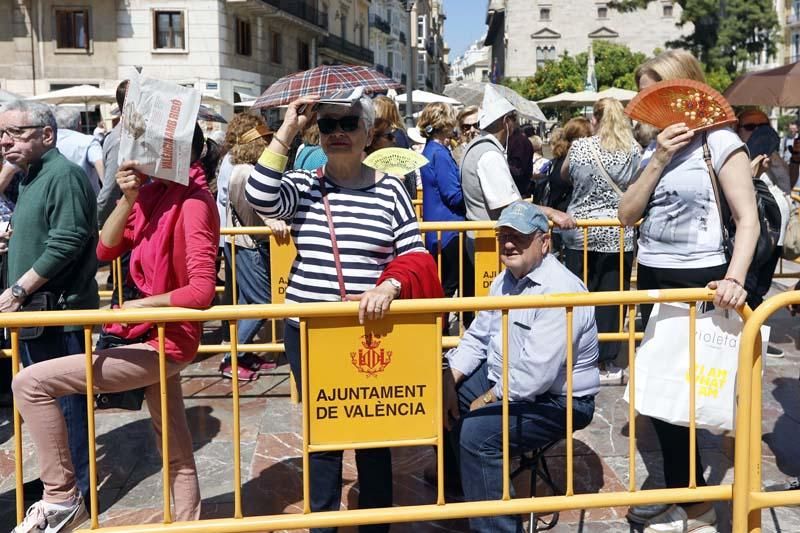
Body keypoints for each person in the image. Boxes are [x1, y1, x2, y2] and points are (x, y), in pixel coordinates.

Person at [10, 122, 218, 532]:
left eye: (151, 144)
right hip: (146, 332)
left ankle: (62, 497)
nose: (141, 152)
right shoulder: (153, 194)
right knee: (175, 448)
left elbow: (201, 291)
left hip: (162, 340)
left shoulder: (194, 202)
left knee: (30, 384)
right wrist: (128, 198)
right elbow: (105, 247)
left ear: (176, 152)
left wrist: (140, 305)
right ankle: (190, 524)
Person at [246, 93, 427, 533]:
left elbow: (416, 253)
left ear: (368, 133)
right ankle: (322, 523)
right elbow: (258, 195)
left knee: (374, 434)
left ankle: (375, 525)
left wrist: (390, 283)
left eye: (348, 123)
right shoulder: (305, 184)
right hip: (310, 330)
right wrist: (288, 127)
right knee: (323, 432)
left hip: (371, 329)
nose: (338, 133)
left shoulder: (390, 188)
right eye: (328, 126)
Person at [618, 50, 759, 533]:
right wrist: (657, 157)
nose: (647, 101)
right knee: (660, 392)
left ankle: (694, 499)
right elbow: (626, 214)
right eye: (643, 93)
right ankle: (684, 491)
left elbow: (748, 220)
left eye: (654, 90)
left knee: (691, 392)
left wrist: (735, 279)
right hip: (653, 279)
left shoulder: (719, 142)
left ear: (682, 89)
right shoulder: (651, 148)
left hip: (701, 279)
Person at [442, 200, 599, 533]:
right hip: (508, 378)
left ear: (545, 242)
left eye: (520, 237)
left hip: (559, 400)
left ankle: (496, 527)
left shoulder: (560, 290)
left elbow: (534, 377)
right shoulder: (503, 280)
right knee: (439, 395)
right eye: (504, 237)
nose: (509, 244)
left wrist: (485, 399)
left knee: (477, 434)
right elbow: (477, 337)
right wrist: (448, 380)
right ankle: (464, 485)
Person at [0, 100, 99, 512]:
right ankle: (60, 485)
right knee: (48, 407)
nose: (6, 141)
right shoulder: (30, 177)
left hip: (59, 314)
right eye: (2, 134)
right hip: (39, 315)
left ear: (47, 135)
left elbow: (69, 239)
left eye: (16, 133)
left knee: (69, 407)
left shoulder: (63, 174)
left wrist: (19, 290)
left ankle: (77, 495)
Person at [561, 98, 641, 384]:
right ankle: (607, 359)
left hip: (579, 229)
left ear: (595, 119)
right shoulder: (634, 150)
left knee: (580, 295)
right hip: (618, 231)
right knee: (612, 296)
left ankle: (578, 354)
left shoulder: (581, 147)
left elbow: (564, 175)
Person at [219, 113, 286, 380]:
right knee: (262, 301)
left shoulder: (239, 169)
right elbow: (255, 210)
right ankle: (230, 358)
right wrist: (274, 221)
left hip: (241, 244)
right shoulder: (246, 173)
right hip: (248, 245)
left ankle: (242, 354)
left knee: (249, 300)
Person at [736, 110, 793, 358]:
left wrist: (792, 159)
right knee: (745, 288)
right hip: (750, 235)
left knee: (760, 288)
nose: (757, 130)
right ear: (738, 130)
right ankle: (739, 340)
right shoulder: (736, 157)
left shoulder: (774, 155)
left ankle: (753, 337)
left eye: (763, 125)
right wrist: (755, 172)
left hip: (775, 235)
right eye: (750, 126)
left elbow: (788, 186)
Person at [417, 102, 473, 303]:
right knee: (450, 287)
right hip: (450, 230)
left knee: (445, 286)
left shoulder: (430, 150)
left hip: (437, 230)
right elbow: (453, 195)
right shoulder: (439, 154)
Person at [97, 80, 128, 227]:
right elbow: (109, 191)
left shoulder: (130, 135)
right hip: (124, 225)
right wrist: (98, 225)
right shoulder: (121, 140)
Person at [53, 106, 104, 194]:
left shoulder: (47, 142)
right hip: (87, 201)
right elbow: (102, 171)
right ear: (79, 123)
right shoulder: (88, 141)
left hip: (55, 199)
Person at [505, 113, 534, 198]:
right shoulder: (508, 140)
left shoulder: (520, 142)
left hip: (518, 194)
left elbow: (518, 172)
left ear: (508, 121)